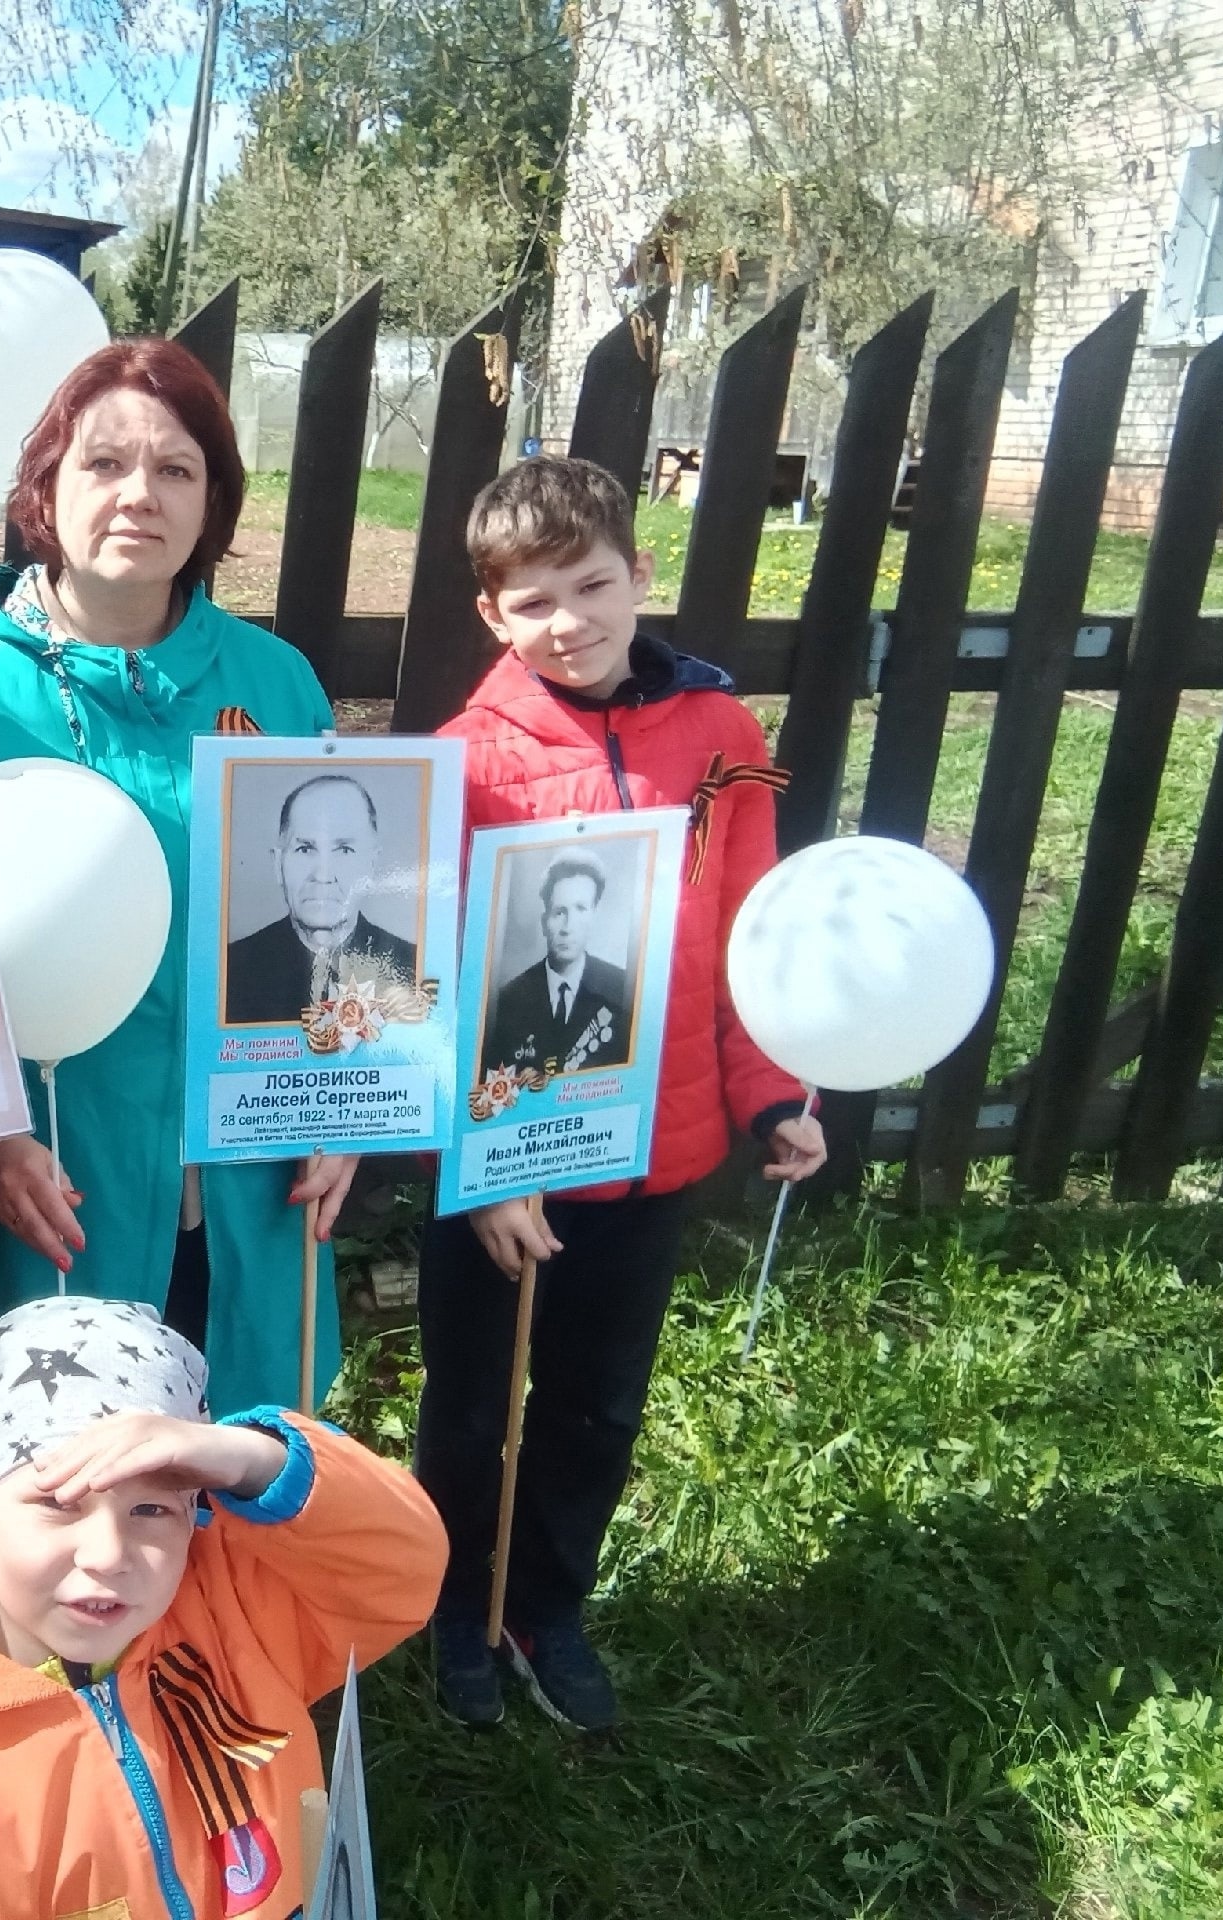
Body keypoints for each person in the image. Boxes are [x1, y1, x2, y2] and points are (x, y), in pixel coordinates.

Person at [419, 455, 828, 1734]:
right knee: (470, 1404)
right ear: (491, 614)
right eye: (532, 601)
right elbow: (430, 984)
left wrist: (771, 1092)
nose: (569, 622)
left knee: (596, 1404)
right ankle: (455, 1605)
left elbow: (746, 930)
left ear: (639, 574)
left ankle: (547, 1604)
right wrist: (484, 1164)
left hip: (656, 1153)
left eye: (591, 586)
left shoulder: (723, 738)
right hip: (503, 1175)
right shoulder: (458, 761)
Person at [0, 338, 361, 1411]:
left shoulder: (277, 685)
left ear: (212, 502)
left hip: (256, 1175)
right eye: (104, 463)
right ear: (46, 485)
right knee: (80, 1467)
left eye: (175, 469)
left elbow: (344, 915)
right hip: (65, 1174)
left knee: (245, 1459)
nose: (138, 495)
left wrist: (347, 1103)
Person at [0, 1296, 447, 1919]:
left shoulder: (236, 1606)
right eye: (58, 1504)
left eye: (151, 1508)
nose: (108, 1554)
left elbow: (405, 1564)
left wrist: (246, 1456)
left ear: (193, 1513)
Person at [221, 771, 419, 1024]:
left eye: (344, 850)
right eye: (305, 849)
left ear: (371, 865)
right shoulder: (229, 973)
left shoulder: (414, 968)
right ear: (278, 864)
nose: (323, 875)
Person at [479, 852, 633, 1074]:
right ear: (544, 923)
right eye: (559, 912)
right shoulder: (506, 1002)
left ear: (594, 917)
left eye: (581, 909)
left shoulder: (622, 991)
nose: (568, 927)